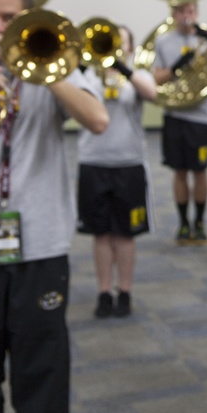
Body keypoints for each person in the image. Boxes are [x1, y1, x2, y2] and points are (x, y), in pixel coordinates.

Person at [0, 0, 109, 413]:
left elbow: (97, 119)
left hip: (41, 248)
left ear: (25, 18)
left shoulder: (56, 61)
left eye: (7, 17)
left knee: (43, 380)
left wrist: (43, 71)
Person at [76, 25, 157, 318]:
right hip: (93, 162)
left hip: (129, 164)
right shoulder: (87, 76)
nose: (115, 49)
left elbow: (152, 93)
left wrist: (121, 67)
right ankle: (103, 292)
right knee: (100, 234)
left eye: (121, 44)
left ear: (130, 49)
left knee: (125, 234)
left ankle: (125, 291)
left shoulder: (137, 74)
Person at [150, 0, 207, 245]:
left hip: (202, 116)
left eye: (190, 10)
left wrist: (206, 37)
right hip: (175, 114)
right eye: (181, 11)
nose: (186, 15)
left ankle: (200, 222)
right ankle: (182, 223)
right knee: (179, 171)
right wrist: (176, 67)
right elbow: (157, 78)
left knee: (200, 171)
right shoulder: (163, 41)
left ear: (197, 12)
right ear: (173, 13)